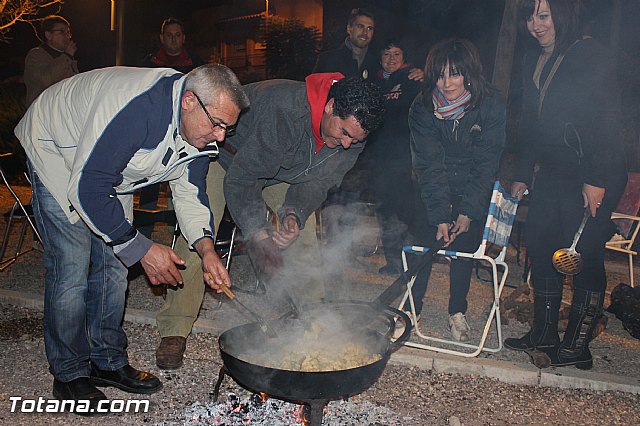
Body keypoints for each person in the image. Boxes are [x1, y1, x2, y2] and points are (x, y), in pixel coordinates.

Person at [14, 64, 249, 414]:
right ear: (188, 101)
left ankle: (107, 361)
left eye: (227, 128)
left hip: (112, 170)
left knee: (113, 267)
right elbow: (87, 188)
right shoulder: (138, 110)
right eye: (216, 124)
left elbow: (190, 193)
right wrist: (142, 247)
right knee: (72, 267)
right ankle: (69, 372)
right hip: (59, 150)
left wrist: (206, 249)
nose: (220, 137)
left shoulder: (198, 131)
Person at [155, 74, 385, 370]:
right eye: (343, 132)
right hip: (225, 157)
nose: (345, 144)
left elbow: (316, 184)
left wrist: (294, 213)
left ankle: (315, 321)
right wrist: (260, 235)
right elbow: (242, 180)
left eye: (355, 139)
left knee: (302, 238)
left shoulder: (352, 137)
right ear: (330, 106)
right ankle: (175, 327)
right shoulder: (285, 110)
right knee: (199, 234)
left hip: (280, 167)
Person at [504, 0, 626, 370]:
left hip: (592, 171)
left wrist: (596, 178)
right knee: (541, 245)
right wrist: (523, 171)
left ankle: (577, 345)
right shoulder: (534, 59)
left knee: (584, 254)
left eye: (543, 16)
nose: (534, 25)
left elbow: (607, 121)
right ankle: (543, 332)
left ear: (564, 14)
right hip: (554, 169)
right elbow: (529, 122)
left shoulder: (590, 55)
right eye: (530, 17)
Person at [397, 38, 506, 342]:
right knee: (422, 248)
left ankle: (457, 309)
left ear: (468, 74)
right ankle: (411, 309)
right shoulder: (422, 106)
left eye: (455, 74)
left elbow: (487, 163)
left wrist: (468, 211)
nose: (447, 84)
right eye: (441, 75)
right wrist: (440, 215)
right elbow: (428, 164)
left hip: (472, 184)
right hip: (432, 185)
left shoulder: (490, 104)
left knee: (464, 253)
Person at [138, 18, 206, 236]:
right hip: (154, 131)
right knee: (148, 183)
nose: (173, 39)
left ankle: (183, 234)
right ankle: (143, 234)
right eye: (169, 35)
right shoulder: (147, 64)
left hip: (186, 132)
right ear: (162, 38)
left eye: (177, 35)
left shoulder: (197, 64)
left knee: (185, 182)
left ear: (183, 38)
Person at [367, 39, 422, 276]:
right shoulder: (373, 82)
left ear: (404, 57)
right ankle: (392, 261)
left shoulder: (413, 78)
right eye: (387, 54)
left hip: (405, 157)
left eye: (396, 53)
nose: (391, 58)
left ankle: (412, 258)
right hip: (378, 158)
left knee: (407, 208)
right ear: (380, 58)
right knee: (385, 209)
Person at [23, 15, 78, 106]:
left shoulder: (66, 58)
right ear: (48, 35)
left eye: (68, 32)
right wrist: (67, 56)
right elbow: (46, 80)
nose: (67, 36)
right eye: (62, 32)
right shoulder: (36, 55)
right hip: (42, 113)